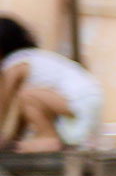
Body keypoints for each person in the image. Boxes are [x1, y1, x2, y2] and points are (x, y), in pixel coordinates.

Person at [0, 17, 105, 153]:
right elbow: (24, 110)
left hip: (78, 101)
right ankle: (49, 138)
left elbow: (3, 104)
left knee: (27, 95)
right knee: (27, 97)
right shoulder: (33, 56)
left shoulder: (14, 64)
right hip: (89, 99)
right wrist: (13, 137)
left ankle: (48, 138)